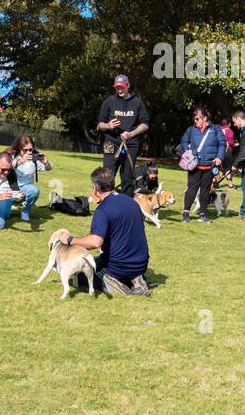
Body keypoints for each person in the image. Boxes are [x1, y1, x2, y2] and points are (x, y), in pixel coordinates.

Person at [64, 167, 151, 296]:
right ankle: (136, 279)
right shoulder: (132, 202)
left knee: (79, 276)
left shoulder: (103, 210)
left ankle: (111, 282)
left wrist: (70, 240)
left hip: (118, 266)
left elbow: (95, 242)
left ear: (95, 188)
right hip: (141, 263)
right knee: (97, 261)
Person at [96, 74, 150, 196]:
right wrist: (108, 125)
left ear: (128, 86)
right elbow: (99, 124)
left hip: (131, 145)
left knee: (128, 177)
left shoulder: (137, 103)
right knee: (107, 176)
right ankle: (106, 203)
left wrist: (131, 133)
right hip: (110, 143)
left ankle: (126, 206)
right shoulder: (109, 102)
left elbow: (145, 124)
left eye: (122, 87)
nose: (120, 90)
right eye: (117, 87)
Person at [178, 106, 226, 223]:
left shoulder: (216, 129)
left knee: (205, 191)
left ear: (204, 118)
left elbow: (222, 144)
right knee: (191, 189)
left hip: (209, 165)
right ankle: (186, 213)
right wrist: (187, 152)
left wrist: (220, 157)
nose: (195, 121)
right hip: (194, 166)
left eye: (197, 119)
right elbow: (183, 141)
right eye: (194, 119)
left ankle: (203, 214)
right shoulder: (191, 130)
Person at [10, 134, 51, 223]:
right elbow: (7, 168)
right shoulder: (12, 157)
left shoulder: (33, 160)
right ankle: (9, 205)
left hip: (26, 190)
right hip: (10, 189)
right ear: (18, 149)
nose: (28, 152)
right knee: (5, 214)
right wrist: (21, 161)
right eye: (25, 150)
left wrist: (45, 162)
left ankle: (25, 211)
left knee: (34, 190)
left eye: (30, 149)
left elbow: (49, 168)